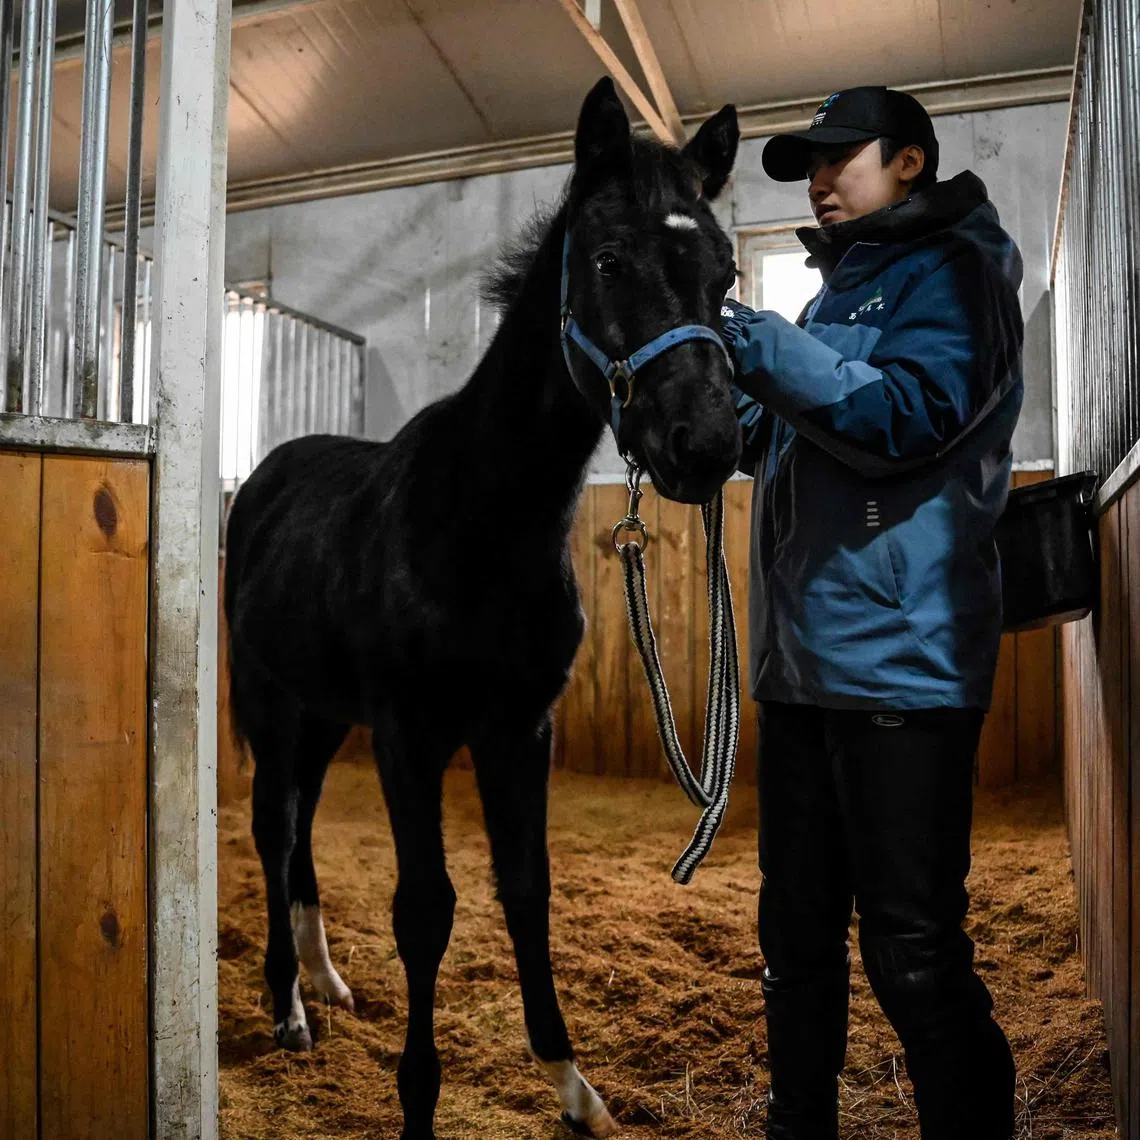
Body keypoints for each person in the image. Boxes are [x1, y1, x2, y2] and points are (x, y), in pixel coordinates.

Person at [717, 87, 1023, 1139]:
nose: (819, 176)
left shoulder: (959, 274)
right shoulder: (828, 301)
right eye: (812, 161)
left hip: (903, 666)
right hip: (804, 671)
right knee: (794, 943)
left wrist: (757, 345)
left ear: (910, 161)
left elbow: (909, 417)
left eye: (843, 156)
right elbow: (772, 435)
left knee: (913, 951)